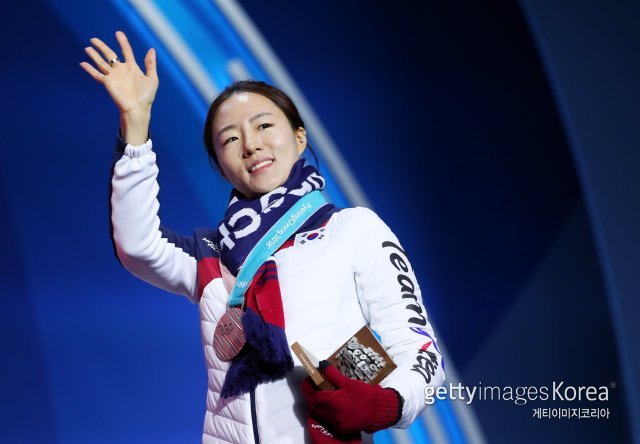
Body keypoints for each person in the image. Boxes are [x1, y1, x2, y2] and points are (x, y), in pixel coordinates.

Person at [80, 31, 445, 444]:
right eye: (230, 139)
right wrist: (136, 123)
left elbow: (419, 350)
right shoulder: (210, 257)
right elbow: (135, 245)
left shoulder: (353, 229)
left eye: (264, 125)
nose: (251, 144)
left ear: (299, 136)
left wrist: (386, 403)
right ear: (220, 166)